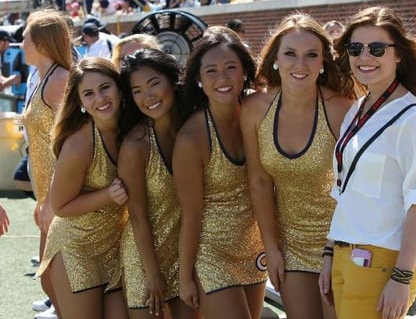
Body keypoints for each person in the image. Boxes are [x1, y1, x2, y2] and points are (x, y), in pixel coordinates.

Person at [321, 6, 416, 319]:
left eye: (376, 48)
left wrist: (402, 277)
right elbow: (345, 189)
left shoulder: (414, 118)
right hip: (347, 256)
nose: (365, 57)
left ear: (398, 54)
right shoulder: (357, 109)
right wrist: (331, 252)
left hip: (384, 262)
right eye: (356, 48)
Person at [240, 13, 356, 319]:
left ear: (323, 63)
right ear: (276, 59)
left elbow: (358, 183)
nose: (300, 65)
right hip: (290, 245)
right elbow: (259, 182)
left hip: (342, 241)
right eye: (290, 54)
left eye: (311, 56)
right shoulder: (255, 109)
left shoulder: (341, 110)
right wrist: (272, 248)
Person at [173, 26, 267, 319]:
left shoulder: (259, 111)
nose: (222, 78)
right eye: (211, 71)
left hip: (254, 246)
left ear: (244, 73)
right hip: (211, 253)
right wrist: (186, 275)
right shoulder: (192, 138)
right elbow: (191, 213)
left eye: (230, 68)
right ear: (199, 79)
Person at [37, 57, 129, 319]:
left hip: (115, 245)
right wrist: (108, 195)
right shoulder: (80, 144)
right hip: (76, 249)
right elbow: (62, 206)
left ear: (119, 87)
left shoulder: (131, 128)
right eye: (88, 94)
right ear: (79, 103)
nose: (100, 98)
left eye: (105, 87)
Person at [117, 49, 199, 319]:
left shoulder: (195, 125)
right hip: (147, 258)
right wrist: (152, 275)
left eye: (154, 84)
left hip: (189, 255)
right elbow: (137, 216)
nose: (147, 96)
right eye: (137, 90)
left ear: (172, 80)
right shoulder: (135, 145)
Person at [22, 8, 72, 319]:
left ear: (41, 43)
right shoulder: (44, 77)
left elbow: (71, 144)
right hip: (49, 194)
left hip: (64, 195)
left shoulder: (60, 80)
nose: (20, 43)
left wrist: (54, 199)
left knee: (57, 280)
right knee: (48, 278)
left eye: (25, 37)